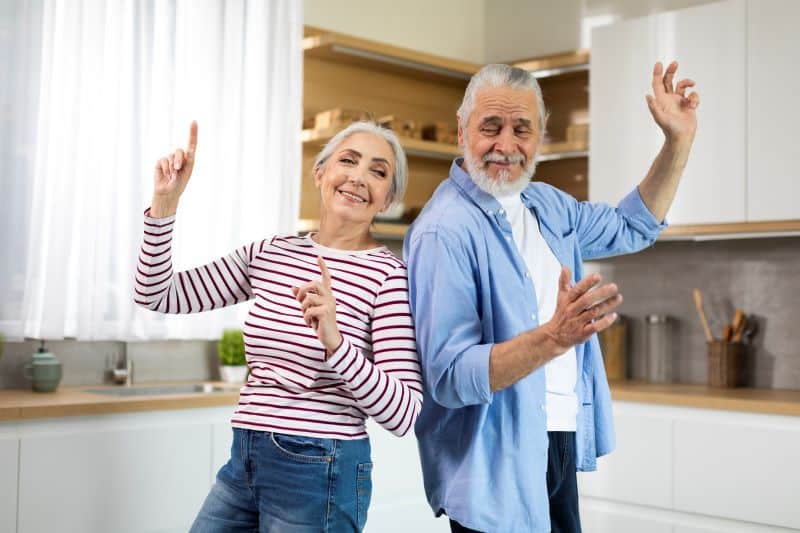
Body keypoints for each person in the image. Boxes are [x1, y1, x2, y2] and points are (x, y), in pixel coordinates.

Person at [403, 61, 699, 532]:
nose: (506, 145)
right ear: (462, 131)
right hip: (493, 462)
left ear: (541, 135)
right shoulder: (444, 231)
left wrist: (677, 142)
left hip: (556, 435)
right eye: (491, 127)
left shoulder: (546, 204)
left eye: (522, 129)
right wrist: (553, 339)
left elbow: (631, 225)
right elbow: (450, 375)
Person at [135, 120, 423, 532]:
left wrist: (337, 345)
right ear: (320, 172)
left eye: (378, 172)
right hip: (245, 457)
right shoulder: (271, 254)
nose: (359, 177)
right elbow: (157, 294)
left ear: (387, 200)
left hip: (322, 469)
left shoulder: (389, 276)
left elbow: (406, 413)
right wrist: (164, 206)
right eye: (349, 160)